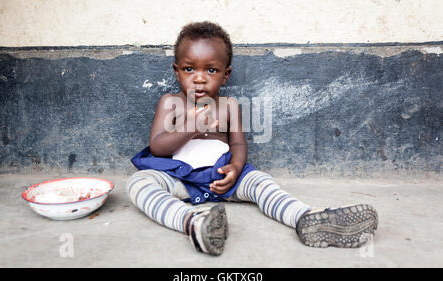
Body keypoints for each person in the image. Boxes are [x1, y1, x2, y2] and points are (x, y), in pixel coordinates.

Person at [127, 21, 378, 256]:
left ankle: (306, 217)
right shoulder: (170, 103)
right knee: (139, 183)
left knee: (261, 182)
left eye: (211, 70)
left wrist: (235, 169)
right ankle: (193, 221)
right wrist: (190, 126)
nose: (199, 78)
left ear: (225, 75)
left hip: (222, 176)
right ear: (177, 71)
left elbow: (237, 144)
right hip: (180, 178)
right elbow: (158, 148)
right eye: (189, 69)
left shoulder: (228, 106)